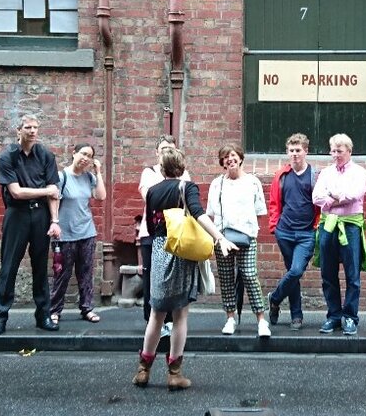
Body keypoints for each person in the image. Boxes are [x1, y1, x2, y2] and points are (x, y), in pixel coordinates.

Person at [132, 147, 237, 390]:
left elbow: (150, 225)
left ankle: (143, 370)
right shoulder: (187, 187)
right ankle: (175, 374)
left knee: (156, 315)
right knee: (180, 315)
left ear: (163, 168)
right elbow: (198, 214)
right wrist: (219, 238)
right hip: (180, 253)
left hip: (159, 250)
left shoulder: (152, 192)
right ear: (181, 168)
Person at [0, 114, 61, 336]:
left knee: (41, 267)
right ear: (18, 131)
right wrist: (46, 190)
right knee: (9, 266)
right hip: (16, 215)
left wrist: (55, 221)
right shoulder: (7, 157)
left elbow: (54, 192)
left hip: (41, 216)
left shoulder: (46, 155)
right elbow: (16, 192)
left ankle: (43, 316)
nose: (32, 131)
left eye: (35, 127)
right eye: (27, 127)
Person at [206, 143, 271, 337]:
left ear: (240, 158)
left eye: (233, 155)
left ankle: (261, 320)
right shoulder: (217, 183)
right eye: (226, 157)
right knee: (226, 278)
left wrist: (251, 231)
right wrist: (217, 236)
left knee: (250, 275)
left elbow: (259, 210)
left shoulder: (252, 182)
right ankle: (230, 318)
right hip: (223, 237)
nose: (230, 159)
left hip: (247, 237)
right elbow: (211, 213)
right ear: (222, 162)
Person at [311, 133, 366, 336]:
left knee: (352, 275)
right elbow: (316, 197)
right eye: (333, 150)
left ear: (349, 151)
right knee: (328, 273)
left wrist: (332, 196)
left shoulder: (359, 172)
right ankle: (334, 316)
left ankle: (350, 317)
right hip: (328, 225)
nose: (335, 154)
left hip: (351, 226)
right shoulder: (326, 172)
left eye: (339, 151)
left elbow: (355, 194)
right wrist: (338, 197)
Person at [137, 135, 190, 337]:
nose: (167, 151)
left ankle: (168, 322)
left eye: (171, 148)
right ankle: (150, 321)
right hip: (151, 232)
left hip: (177, 234)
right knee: (151, 277)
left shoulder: (185, 174)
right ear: (157, 152)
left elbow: (187, 201)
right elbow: (149, 197)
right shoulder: (148, 173)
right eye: (163, 148)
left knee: (173, 279)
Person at [266, 133, 319, 331]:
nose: (295, 154)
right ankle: (296, 316)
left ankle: (275, 298)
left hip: (306, 234)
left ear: (306, 151)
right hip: (285, 232)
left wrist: (317, 226)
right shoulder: (281, 175)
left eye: (298, 150)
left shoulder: (315, 175)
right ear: (287, 152)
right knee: (293, 274)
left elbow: (320, 204)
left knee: (296, 271)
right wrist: (275, 227)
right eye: (291, 151)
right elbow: (274, 203)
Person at [49, 143, 107, 324]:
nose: (86, 158)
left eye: (89, 156)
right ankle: (55, 310)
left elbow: (101, 196)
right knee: (62, 274)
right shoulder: (61, 176)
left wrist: (98, 172)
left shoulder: (89, 177)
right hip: (64, 235)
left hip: (87, 233)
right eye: (83, 153)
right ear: (73, 153)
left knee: (86, 273)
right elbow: (53, 200)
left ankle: (87, 308)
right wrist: (54, 223)